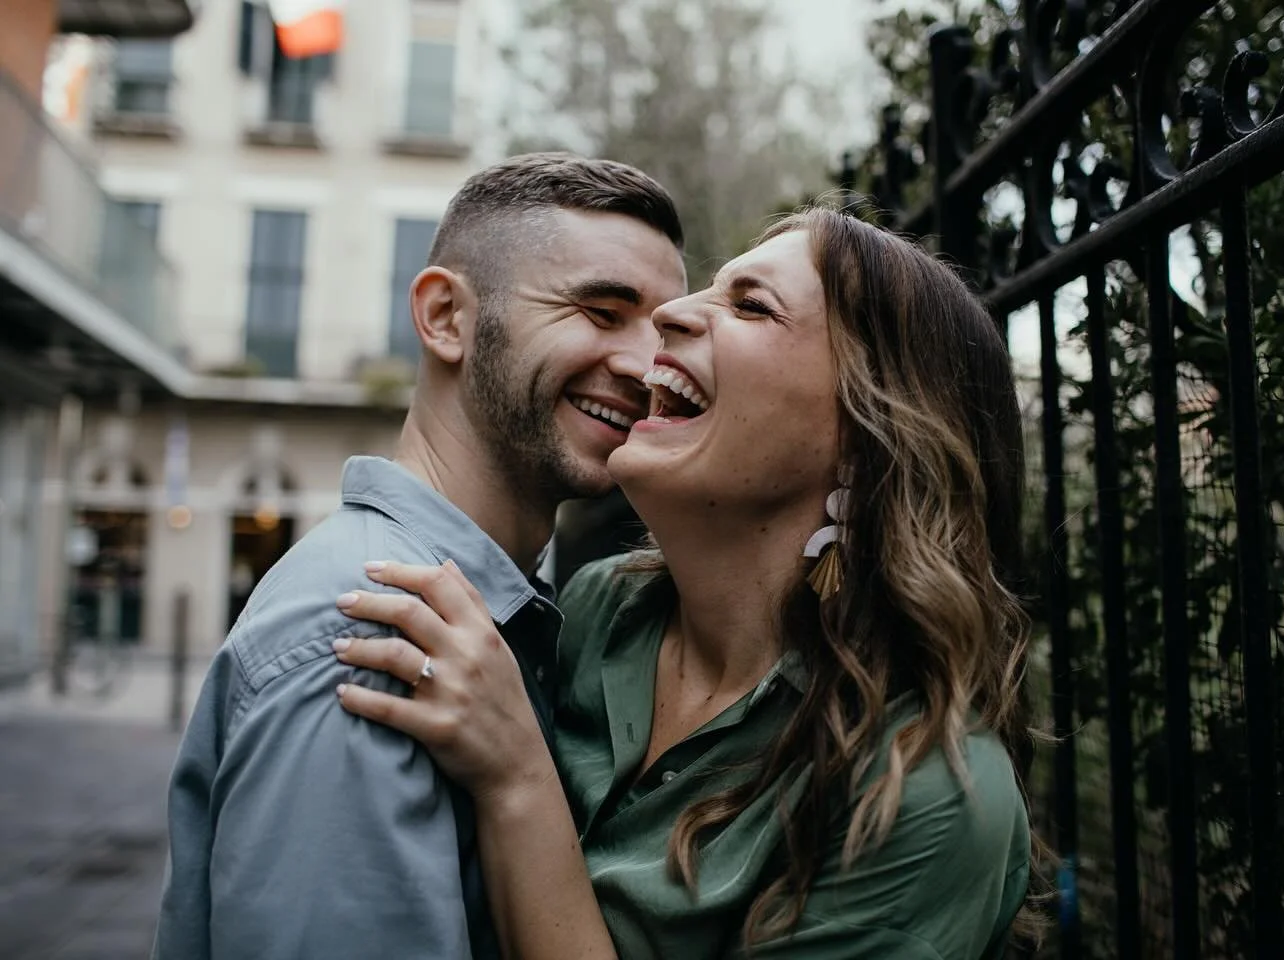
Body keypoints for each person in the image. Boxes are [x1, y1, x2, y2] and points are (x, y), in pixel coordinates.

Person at [331, 207, 1041, 959]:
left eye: (750, 305)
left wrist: (516, 780)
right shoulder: (597, 610)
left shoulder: (926, 793)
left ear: (869, 439)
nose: (667, 314)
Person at [151, 153, 688, 960]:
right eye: (601, 311)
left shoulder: (478, 616)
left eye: (663, 327)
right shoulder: (369, 636)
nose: (647, 367)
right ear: (445, 318)